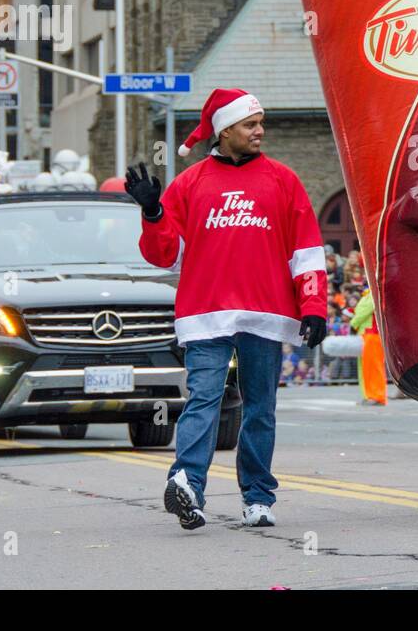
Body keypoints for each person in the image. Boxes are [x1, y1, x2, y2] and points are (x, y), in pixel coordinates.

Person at [127, 87, 328, 531]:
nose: (260, 131)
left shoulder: (283, 180)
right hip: (205, 312)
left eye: (260, 123)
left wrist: (313, 305)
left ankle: (258, 496)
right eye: (250, 124)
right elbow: (164, 255)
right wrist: (154, 212)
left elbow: (307, 251)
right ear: (224, 130)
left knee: (260, 407)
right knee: (204, 398)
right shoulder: (191, 183)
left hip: (267, 312)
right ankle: (187, 485)